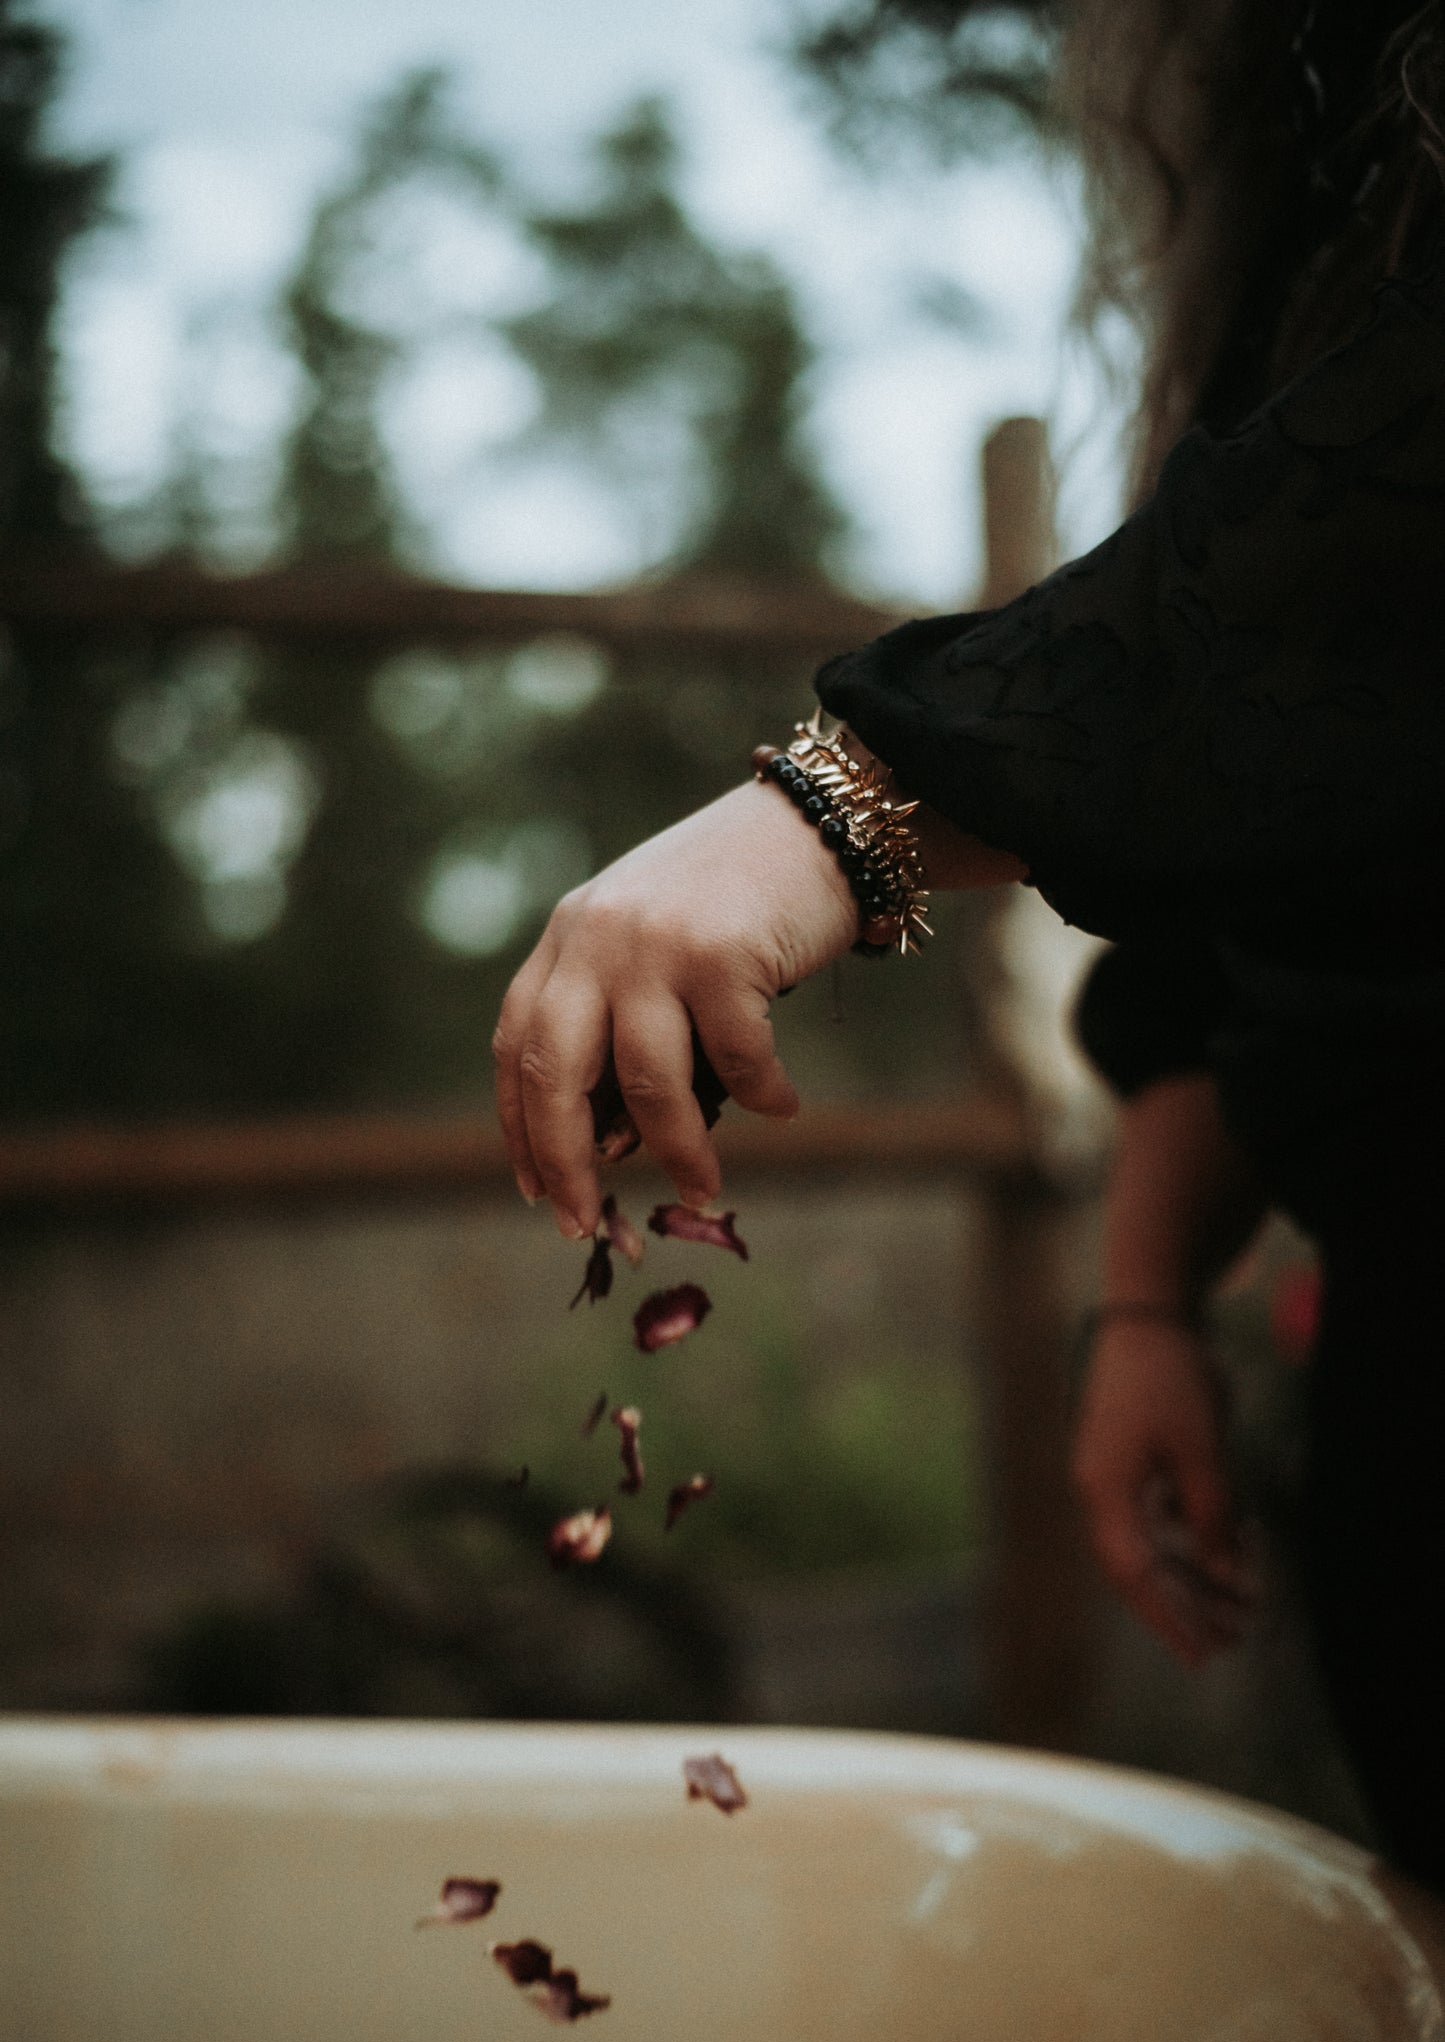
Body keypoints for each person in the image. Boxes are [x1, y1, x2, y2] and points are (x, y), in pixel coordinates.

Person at [495, 0, 1445, 1892]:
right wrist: (1150, 1295)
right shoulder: (1316, 176)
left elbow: (1331, 600)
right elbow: (1253, 889)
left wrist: (839, 808)